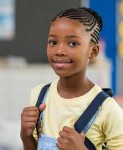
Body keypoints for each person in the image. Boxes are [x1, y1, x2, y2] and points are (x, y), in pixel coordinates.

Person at [20, 7, 123, 150]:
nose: (59, 51)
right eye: (53, 42)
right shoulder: (39, 96)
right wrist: (26, 136)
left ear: (93, 52)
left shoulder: (108, 110)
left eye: (73, 43)